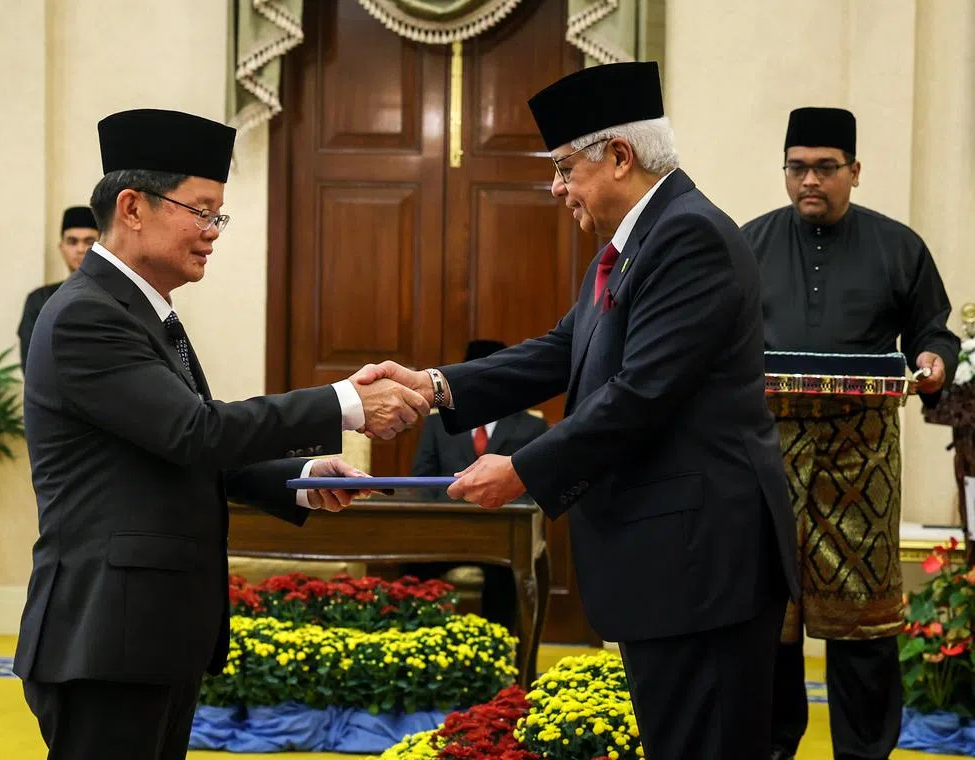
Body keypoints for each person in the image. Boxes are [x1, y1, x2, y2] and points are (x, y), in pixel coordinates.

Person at [356, 62, 799, 760]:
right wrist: (435, 386)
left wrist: (524, 471)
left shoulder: (690, 238)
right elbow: (559, 350)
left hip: (705, 564)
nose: (556, 188)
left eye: (565, 167)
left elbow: (641, 395)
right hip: (673, 565)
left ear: (620, 156)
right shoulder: (634, 246)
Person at [13, 108, 428, 760]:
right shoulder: (88, 317)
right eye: (202, 211)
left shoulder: (147, 314)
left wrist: (301, 479)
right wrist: (345, 402)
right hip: (105, 631)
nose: (213, 233)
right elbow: (193, 431)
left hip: (149, 630)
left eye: (218, 216)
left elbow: (180, 450)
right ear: (133, 207)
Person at [741, 106, 960, 760]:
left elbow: (933, 331)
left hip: (860, 461)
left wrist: (933, 361)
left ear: (854, 172)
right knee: (766, 620)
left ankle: (863, 755)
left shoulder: (899, 246)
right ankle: (772, 750)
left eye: (826, 168)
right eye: (798, 167)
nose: (811, 180)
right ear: (785, 171)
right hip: (767, 453)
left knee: (864, 628)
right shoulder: (747, 243)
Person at [404, 338, 549, 629]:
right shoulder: (438, 424)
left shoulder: (531, 427)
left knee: (505, 573)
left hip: (500, 535)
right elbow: (423, 480)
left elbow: (535, 488)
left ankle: (500, 655)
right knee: (411, 565)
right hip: (443, 534)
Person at [18, 205, 99, 371]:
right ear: (61, 248)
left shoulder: (117, 295)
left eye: (89, 241)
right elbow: (32, 365)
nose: (81, 249)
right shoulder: (39, 300)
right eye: (72, 242)